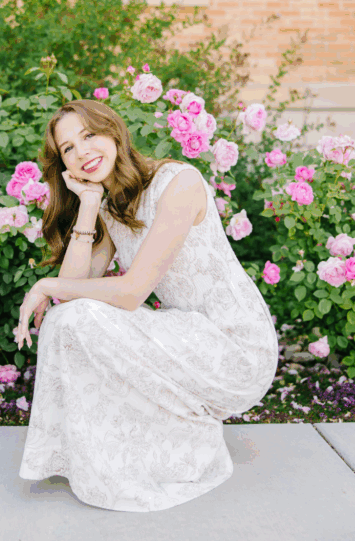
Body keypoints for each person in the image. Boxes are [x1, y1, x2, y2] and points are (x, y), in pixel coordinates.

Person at [14, 99, 278, 512]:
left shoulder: (179, 183)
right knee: (69, 319)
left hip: (235, 349)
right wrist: (87, 204)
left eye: (89, 135)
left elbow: (132, 291)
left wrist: (45, 282)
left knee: (79, 316)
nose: (82, 152)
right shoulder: (112, 204)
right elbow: (73, 290)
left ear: (114, 132)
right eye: (68, 148)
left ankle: (188, 449)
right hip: (187, 334)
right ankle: (127, 452)